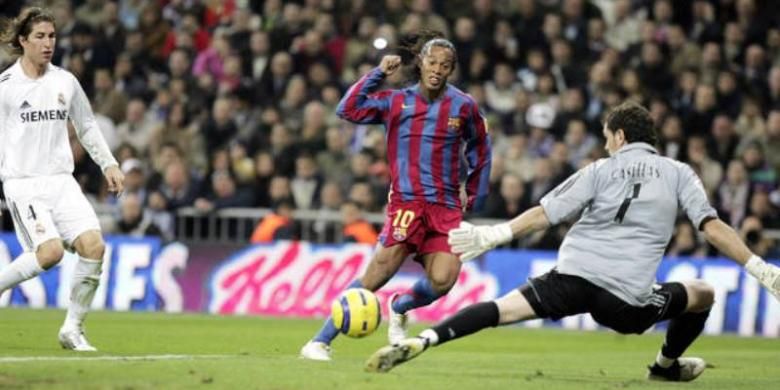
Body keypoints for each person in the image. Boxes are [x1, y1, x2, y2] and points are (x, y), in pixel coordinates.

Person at [365, 102, 780, 381]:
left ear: (618, 136)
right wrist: (759, 267)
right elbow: (711, 226)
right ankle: (665, 367)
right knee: (703, 293)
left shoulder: (599, 170)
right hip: (626, 300)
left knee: (500, 310)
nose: (604, 143)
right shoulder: (679, 173)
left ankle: (425, 339)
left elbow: (547, 212)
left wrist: (496, 233)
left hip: (573, 276)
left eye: (605, 136)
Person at [300, 31, 492, 361]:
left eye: (445, 65)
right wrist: (377, 74)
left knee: (443, 280)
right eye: (432, 62)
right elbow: (347, 110)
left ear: (452, 69)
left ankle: (401, 306)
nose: (437, 69)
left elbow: (481, 149)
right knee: (380, 270)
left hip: (445, 208)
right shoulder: (395, 101)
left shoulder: (464, 106)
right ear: (420, 63)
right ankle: (319, 341)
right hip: (407, 202)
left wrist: (474, 192)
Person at [0, 7, 124, 351]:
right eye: (39, 36)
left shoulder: (65, 81)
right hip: (24, 183)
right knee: (50, 252)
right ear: (23, 40)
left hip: (61, 181)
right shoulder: (6, 87)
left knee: (94, 246)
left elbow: (85, 125)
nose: (47, 43)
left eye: (51, 36)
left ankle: (72, 329)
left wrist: (109, 164)